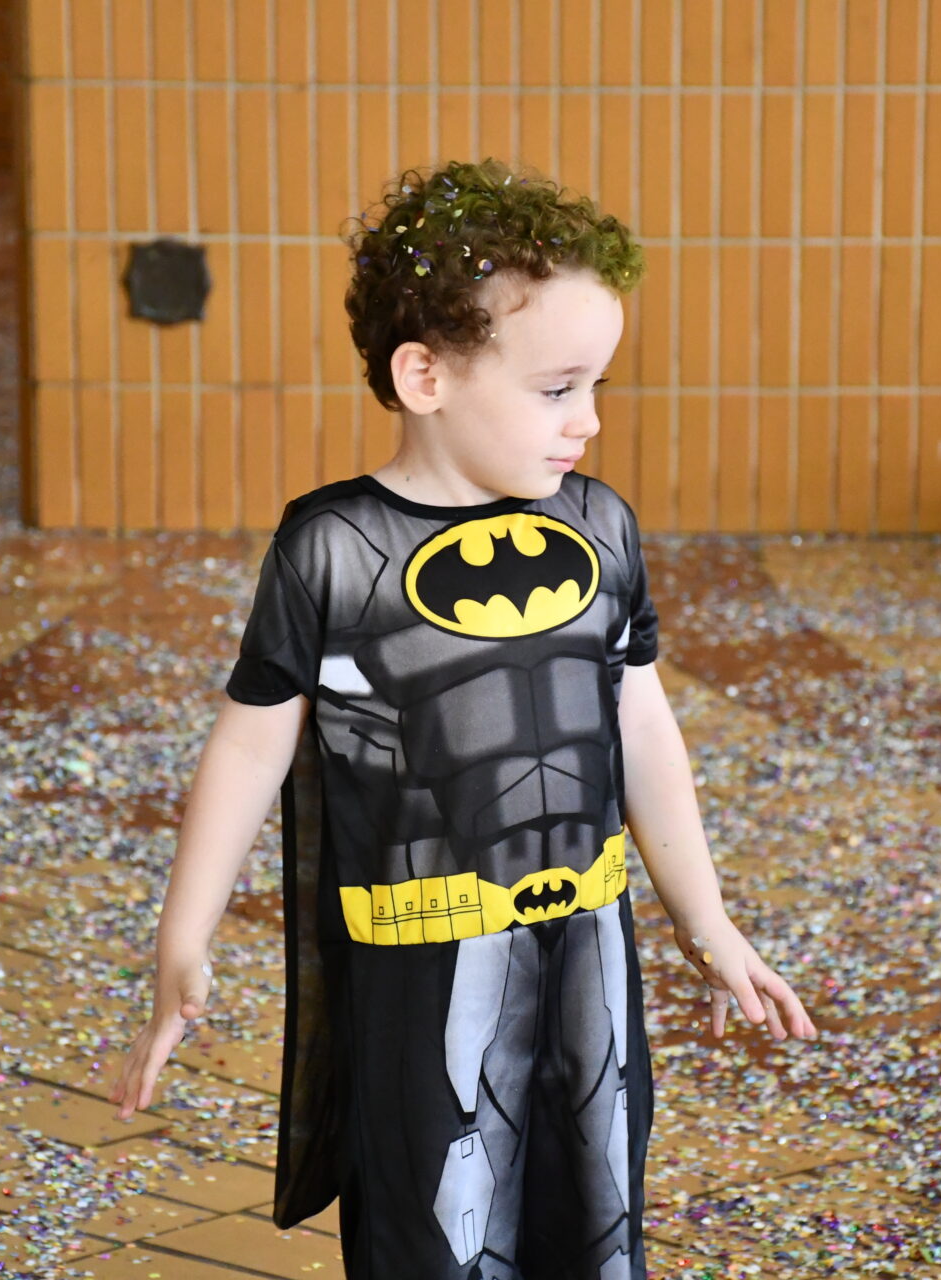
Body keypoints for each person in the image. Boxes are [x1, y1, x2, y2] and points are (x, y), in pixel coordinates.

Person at [110, 157, 817, 1280]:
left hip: (589, 941)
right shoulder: (334, 551)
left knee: (596, 1208)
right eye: (557, 388)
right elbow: (250, 744)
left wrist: (706, 918)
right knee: (434, 1223)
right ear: (425, 375)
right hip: (416, 959)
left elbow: (639, 723)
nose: (589, 420)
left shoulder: (600, 528)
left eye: (597, 385)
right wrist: (181, 939)